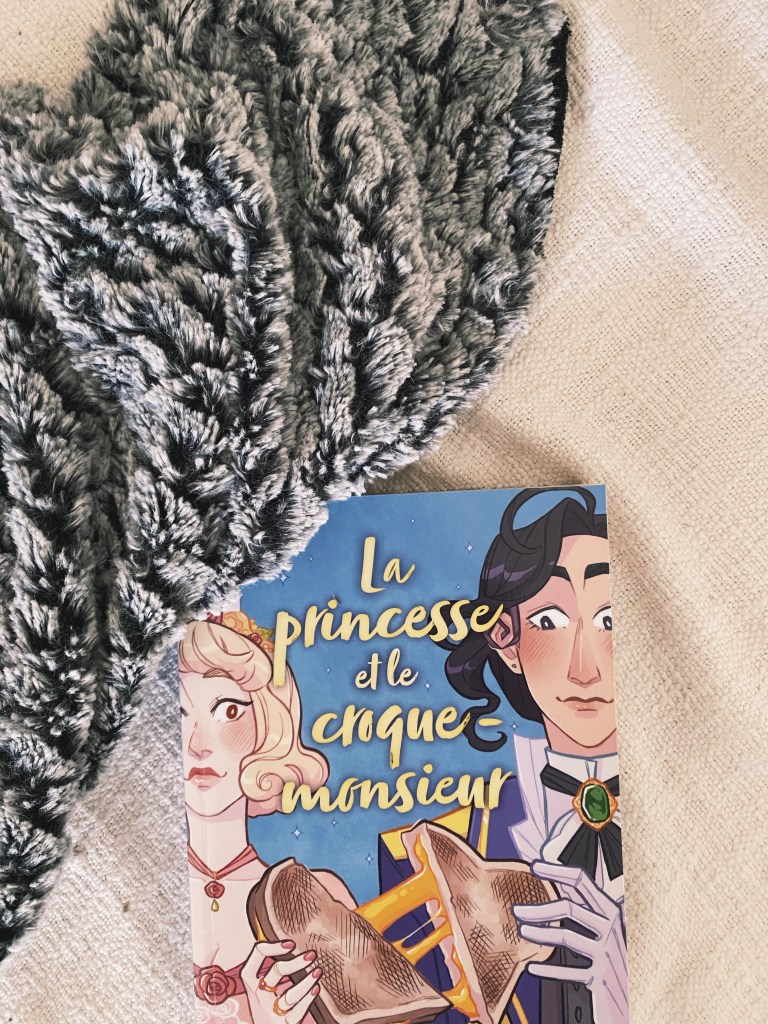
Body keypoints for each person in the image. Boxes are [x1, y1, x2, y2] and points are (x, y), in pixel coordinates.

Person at [378, 487, 628, 1024]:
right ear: (505, 640)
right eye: (550, 622)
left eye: (608, 620)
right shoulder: (427, 855)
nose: (585, 667)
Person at [179, 612, 355, 1024]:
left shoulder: (315, 902)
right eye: (182, 715)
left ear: (269, 726)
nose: (198, 744)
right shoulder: (124, 887)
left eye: (228, 712)